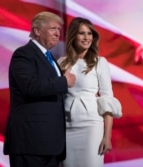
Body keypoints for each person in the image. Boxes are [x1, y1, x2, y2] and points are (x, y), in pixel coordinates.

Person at [3, 11, 75, 167]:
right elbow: (30, 86)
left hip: (49, 144)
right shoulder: (24, 54)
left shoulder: (49, 58)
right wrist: (63, 81)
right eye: (52, 29)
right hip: (30, 142)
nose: (57, 34)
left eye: (59, 30)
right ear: (36, 31)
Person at [58, 17, 122, 167]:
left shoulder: (100, 62)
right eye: (82, 33)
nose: (86, 37)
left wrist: (107, 137)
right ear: (73, 36)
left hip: (91, 127)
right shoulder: (62, 62)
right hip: (66, 128)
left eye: (90, 33)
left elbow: (107, 100)